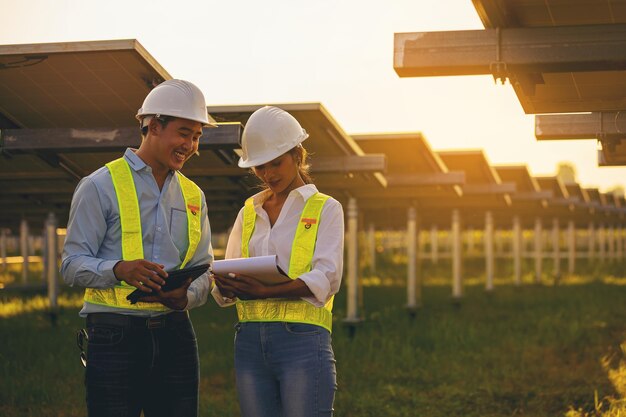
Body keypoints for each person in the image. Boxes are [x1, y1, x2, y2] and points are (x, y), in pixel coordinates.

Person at [61, 79, 215, 417]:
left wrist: (185, 296)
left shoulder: (194, 196)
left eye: (196, 137)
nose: (190, 145)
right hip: (114, 335)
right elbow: (71, 264)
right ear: (154, 126)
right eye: (184, 133)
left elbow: (205, 269)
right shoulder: (99, 185)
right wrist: (119, 269)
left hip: (176, 333)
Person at [212, 106, 344, 417]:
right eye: (260, 167)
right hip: (248, 343)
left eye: (276, 163)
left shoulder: (326, 208)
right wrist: (225, 284)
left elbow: (328, 277)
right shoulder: (248, 212)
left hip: (302, 340)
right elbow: (228, 271)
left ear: (298, 155)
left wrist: (265, 290)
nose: (269, 174)